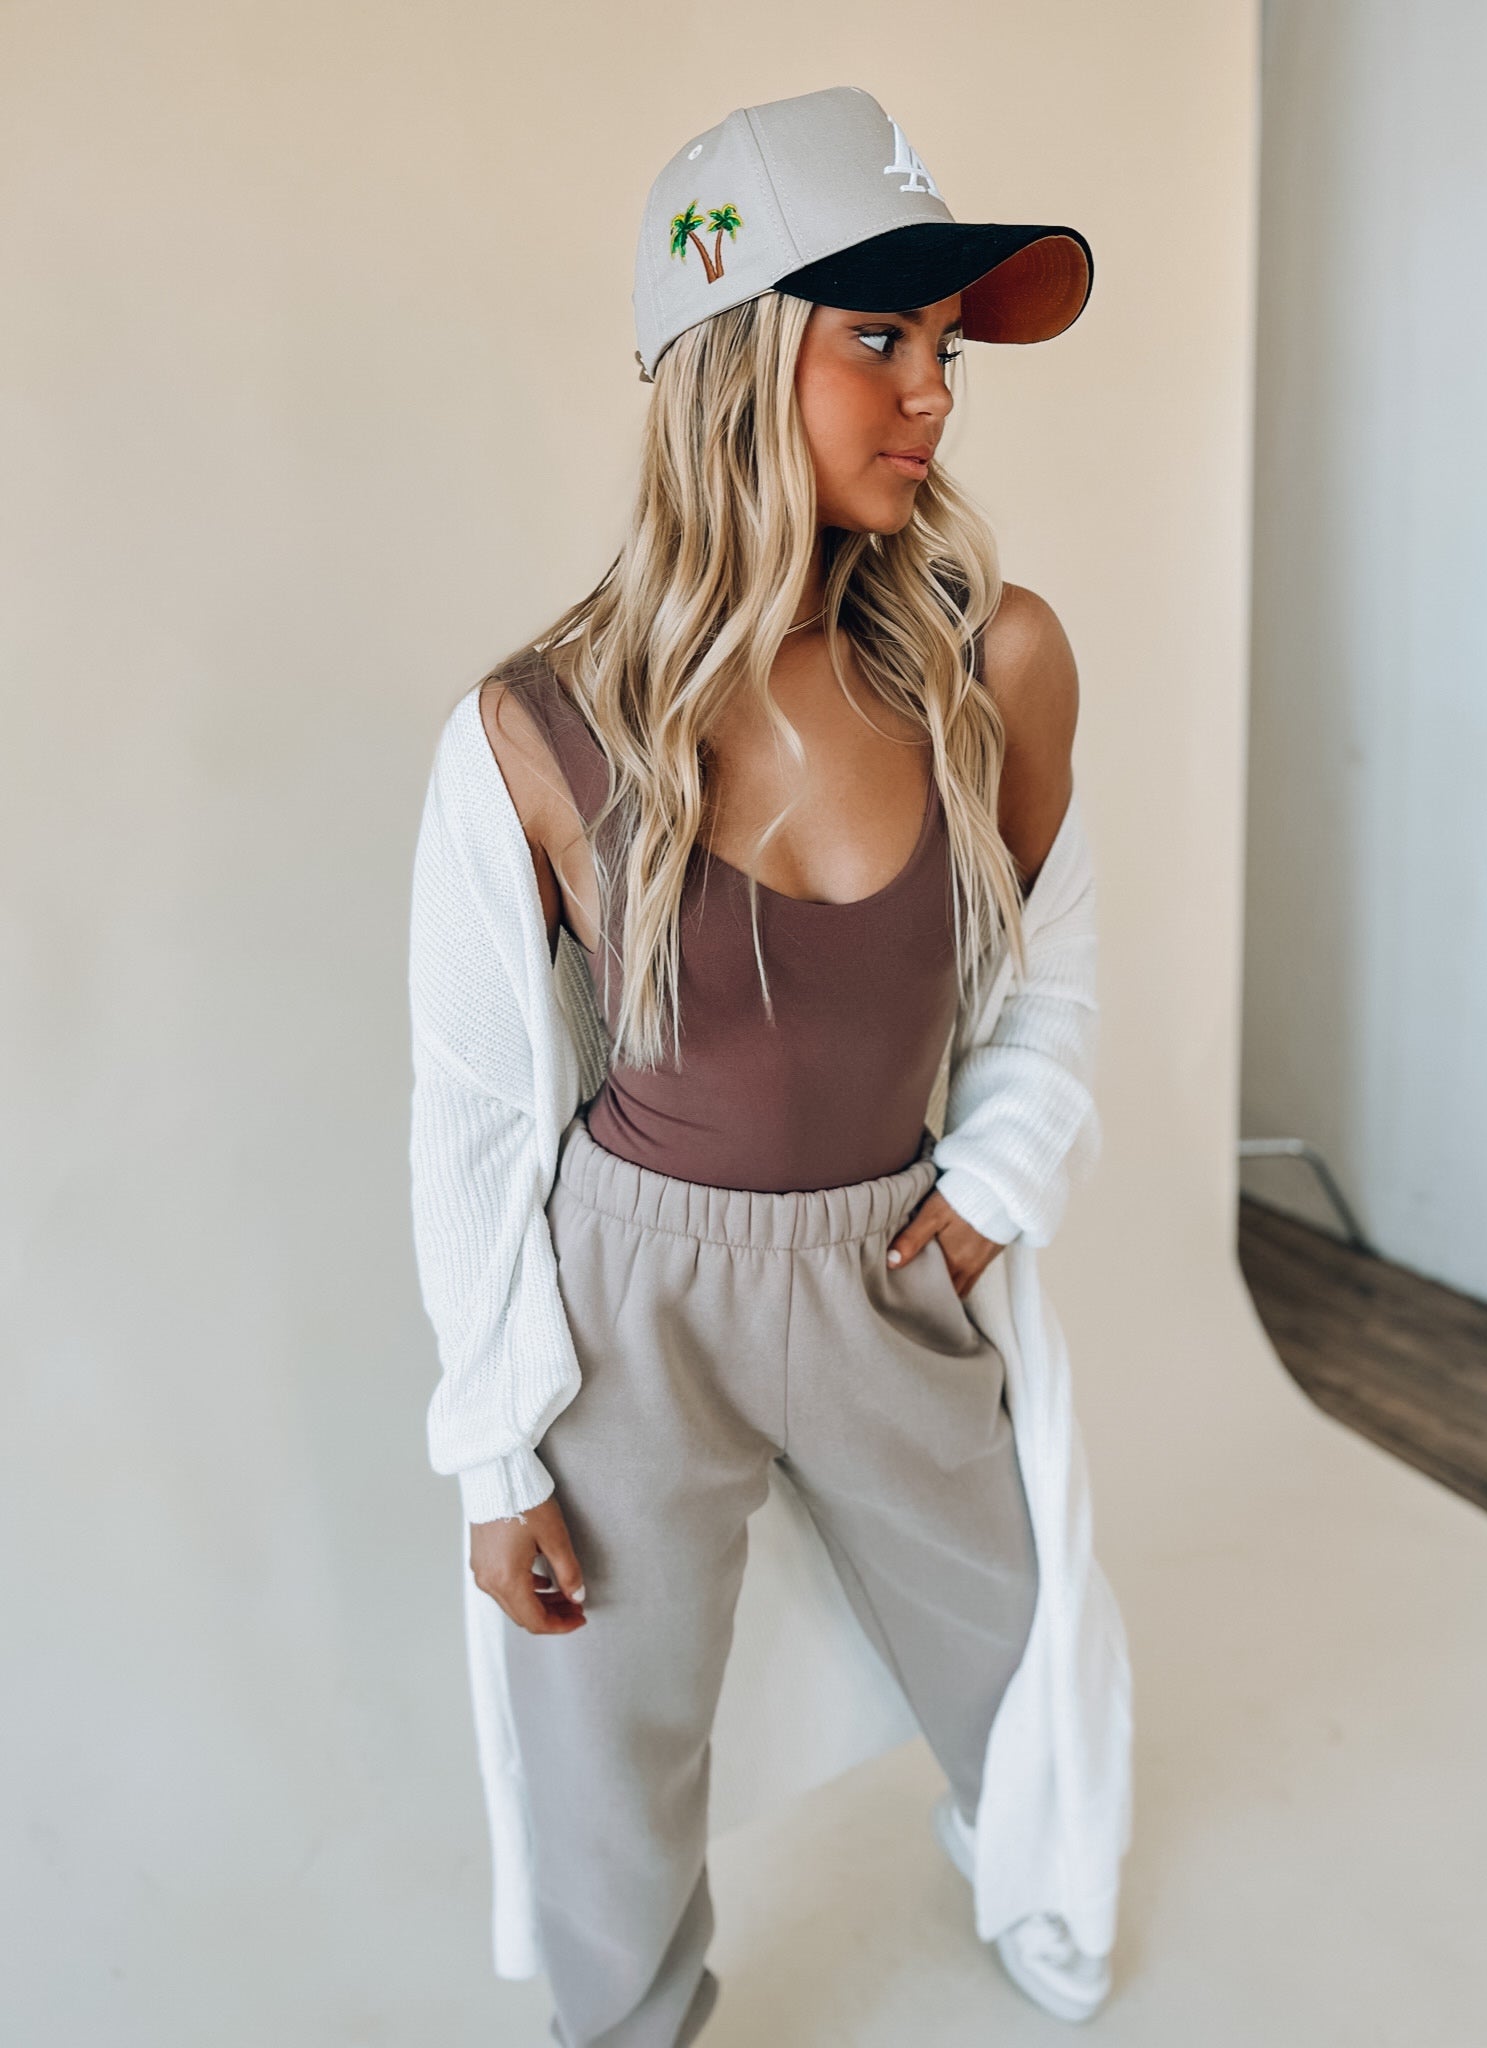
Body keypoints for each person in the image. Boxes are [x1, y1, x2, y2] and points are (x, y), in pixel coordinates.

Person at [408, 85, 1130, 2048]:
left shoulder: (996, 663)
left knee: (1014, 1633)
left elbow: (1050, 975)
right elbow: (474, 1115)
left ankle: (1035, 1871)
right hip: (632, 1298)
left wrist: (988, 1197)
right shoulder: (538, 732)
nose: (936, 391)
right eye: (877, 335)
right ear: (731, 354)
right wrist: (496, 1450)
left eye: (948, 344)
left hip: (891, 1265)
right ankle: (629, 2021)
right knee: (604, 1723)